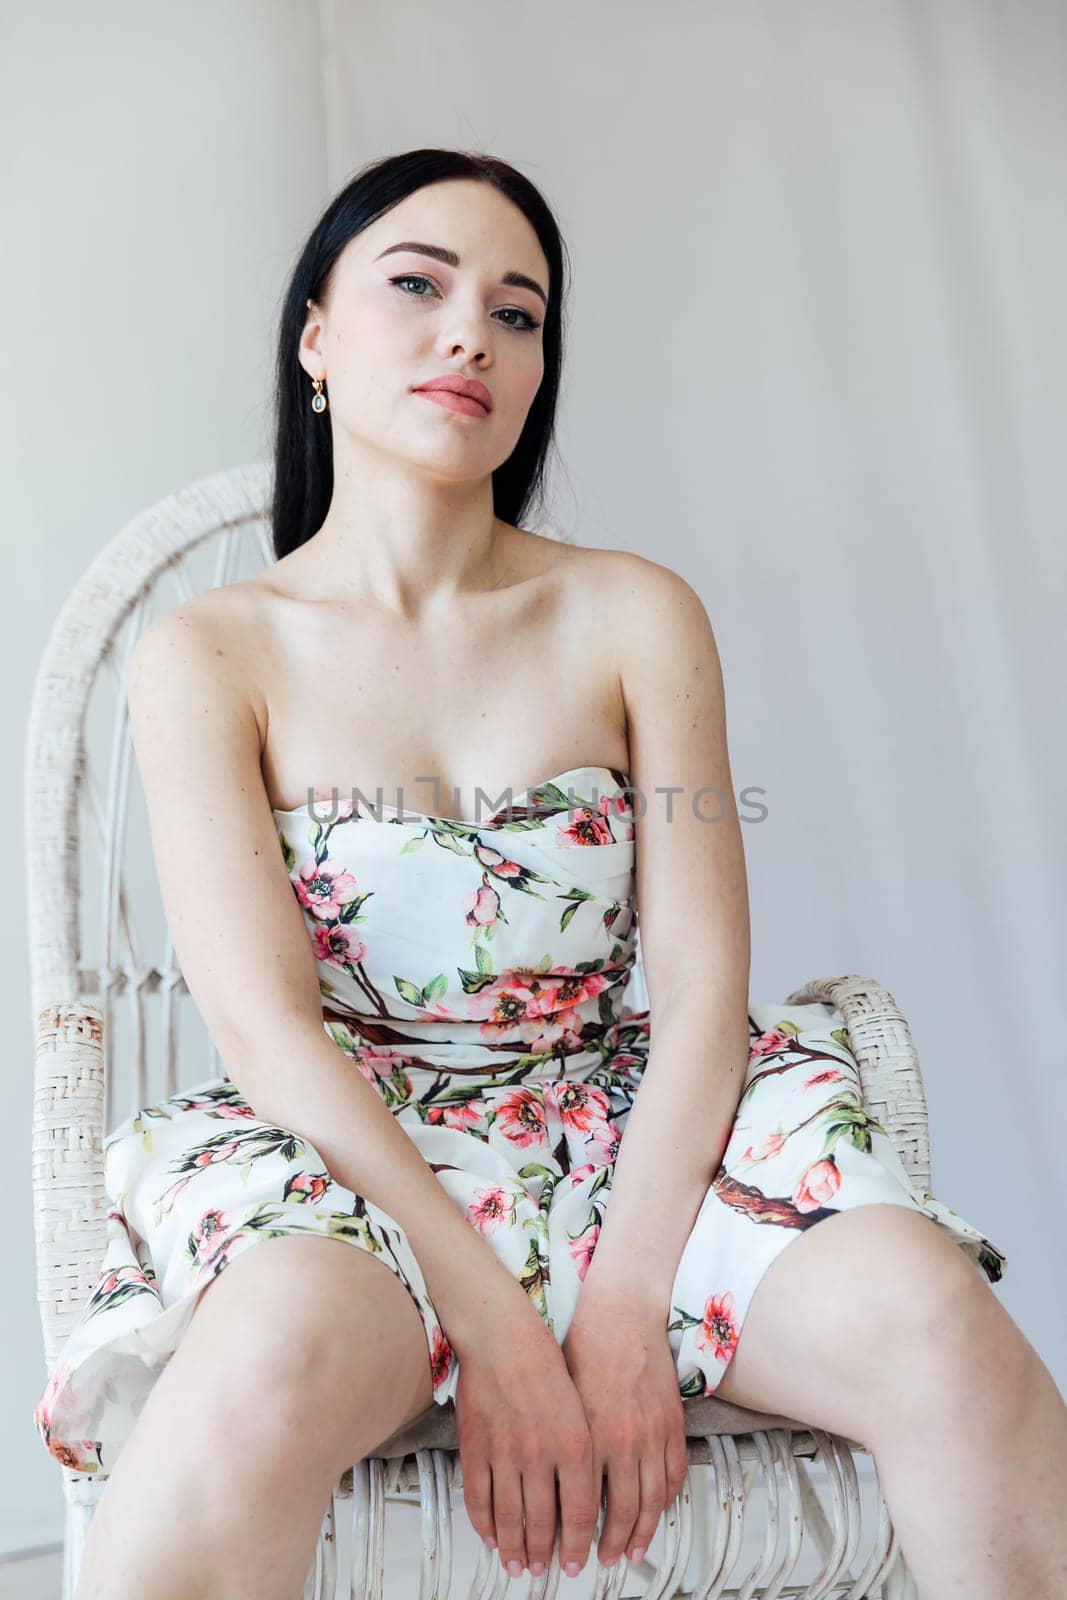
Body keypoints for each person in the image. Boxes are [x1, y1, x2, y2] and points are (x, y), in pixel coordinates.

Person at [34, 148, 1066, 1600]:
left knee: (940, 1326)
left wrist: (628, 1302)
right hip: (364, 1170)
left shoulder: (633, 613)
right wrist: (504, 1329)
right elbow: (268, 1030)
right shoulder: (210, 653)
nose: (471, 331)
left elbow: (708, 990)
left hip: (634, 1141)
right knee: (259, 1369)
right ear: (316, 337)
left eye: (518, 313)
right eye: (418, 286)